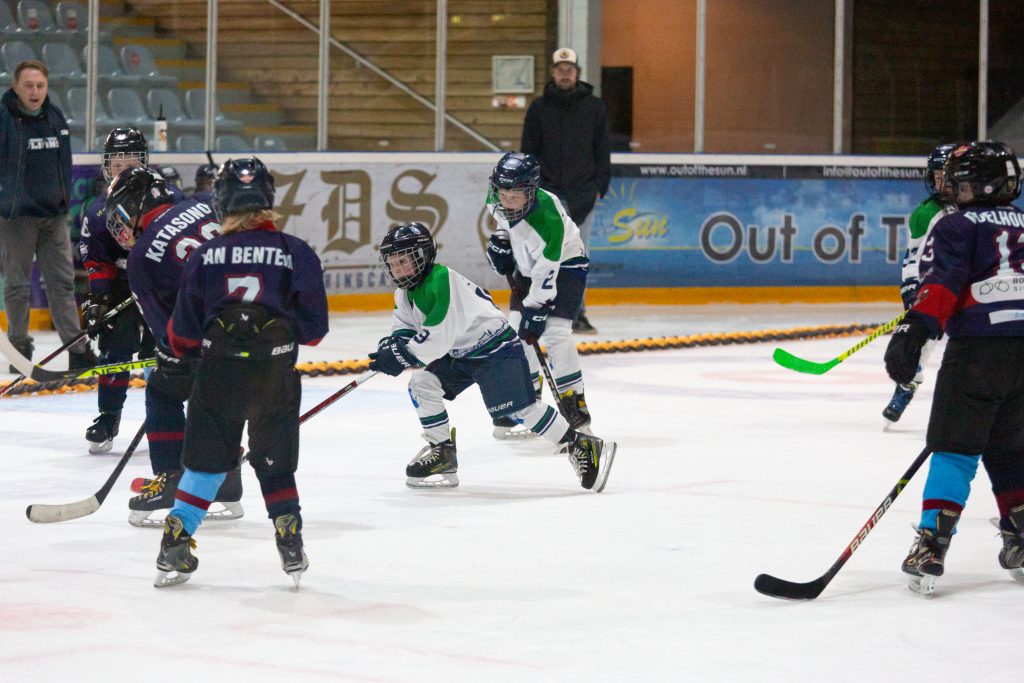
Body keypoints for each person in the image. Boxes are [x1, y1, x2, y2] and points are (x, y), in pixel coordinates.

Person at [157, 157, 329, 588]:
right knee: (274, 465)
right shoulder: (296, 252)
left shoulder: (204, 256)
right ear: (268, 197)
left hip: (218, 376)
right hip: (274, 377)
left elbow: (182, 335)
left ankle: (176, 541)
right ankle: (289, 536)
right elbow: (314, 331)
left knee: (207, 465)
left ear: (221, 201)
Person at [369, 222, 614, 493]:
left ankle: (581, 444)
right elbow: (402, 326)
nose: (397, 269)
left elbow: (437, 339)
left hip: (495, 348)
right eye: (392, 262)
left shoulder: (441, 280)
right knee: (422, 384)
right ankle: (442, 453)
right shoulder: (404, 292)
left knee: (519, 410)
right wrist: (390, 347)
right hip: (460, 353)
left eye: (404, 260)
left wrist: (401, 356)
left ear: (423, 256)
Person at [884, 141, 1024, 596]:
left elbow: (942, 288)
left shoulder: (957, 225)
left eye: (962, 182)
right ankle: (1022, 537)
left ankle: (931, 545)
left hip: (979, 354)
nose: (954, 190)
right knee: (1011, 449)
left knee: (954, 447)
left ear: (982, 184)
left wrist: (913, 331)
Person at [104, 167, 242, 527]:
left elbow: (167, 333)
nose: (119, 225)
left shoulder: (141, 256)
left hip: (218, 339)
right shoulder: (202, 202)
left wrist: (165, 359)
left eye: (121, 214)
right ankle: (225, 475)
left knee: (164, 388)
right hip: (265, 325)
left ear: (137, 204)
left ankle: (170, 476)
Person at [79, 127, 180, 453]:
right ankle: (108, 417)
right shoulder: (96, 210)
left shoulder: (169, 198)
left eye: (130, 156)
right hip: (121, 286)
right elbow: (97, 261)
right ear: (106, 163)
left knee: (160, 353)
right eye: (116, 157)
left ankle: (165, 417)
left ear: (145, 161)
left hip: (160, 285)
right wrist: (97, 299)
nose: (122, 163)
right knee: (115, 348)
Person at [485, 152, 596, 439]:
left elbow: (547, 273)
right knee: (515, 333)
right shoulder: (497, 197)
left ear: (531, 192)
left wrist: (536, 310)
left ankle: (574, 402)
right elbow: (505, 224)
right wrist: (501, 241)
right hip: (528, 264)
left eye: (515, 194)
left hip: (566, 265)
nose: (506, 199)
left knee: (555, 332)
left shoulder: (548, 220)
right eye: (503, 191)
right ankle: (526, 402)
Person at [0, 60, 93, 372]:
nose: (35, 91)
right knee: (16, 286)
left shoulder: (55, 117)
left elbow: (63, 162)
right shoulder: (4, 120)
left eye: (40, 85)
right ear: (15, 87)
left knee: (63, 283)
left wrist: (63, 201)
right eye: (28, 85)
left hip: (53, 218)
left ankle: (76, 347)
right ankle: (19, 348)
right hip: (17, 219)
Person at [520, 47, 610, 335]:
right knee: (545, 254)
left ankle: (576, 312)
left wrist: (600, 188)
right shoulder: (538, 108)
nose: (565, 73)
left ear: (577, 73)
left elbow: (602, 149)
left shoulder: (594, 107)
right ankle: (541, 308)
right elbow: (528, 151)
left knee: (578, 257)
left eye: (569, 69)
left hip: (584, 194)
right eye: (560, 69)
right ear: (553, 73)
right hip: (547, 194)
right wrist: (530, 190)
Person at [882, 142, 957, 425]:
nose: (940, 182)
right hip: (941, 287)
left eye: (946, 175)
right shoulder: (925, 214)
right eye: (936, 175)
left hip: (975, 289)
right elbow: (913, 258)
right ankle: (906, 384)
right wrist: (912, 289)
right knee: (922, 338)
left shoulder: (979, 209)